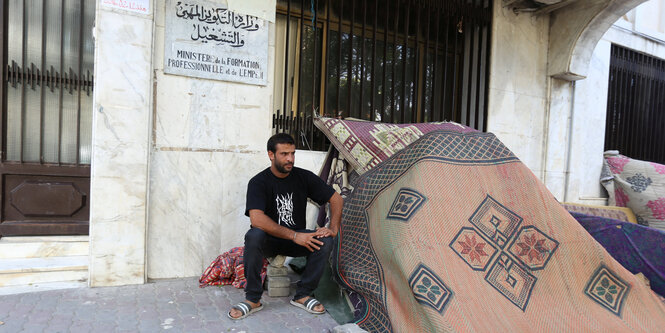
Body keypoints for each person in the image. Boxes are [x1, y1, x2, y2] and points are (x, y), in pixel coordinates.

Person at [228, 133, 343, 320]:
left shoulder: (303, 177)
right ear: (271, 155)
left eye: (292, 153)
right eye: (284, 154)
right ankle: (253, 299)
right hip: (270, 241)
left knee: (326, 241)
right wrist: (295, 236)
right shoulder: (258, 182)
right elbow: (257, 219)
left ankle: (303, 294)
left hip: (296, 240)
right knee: (253, 235)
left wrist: (333, 228)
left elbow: (336, 199)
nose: (290, 159)